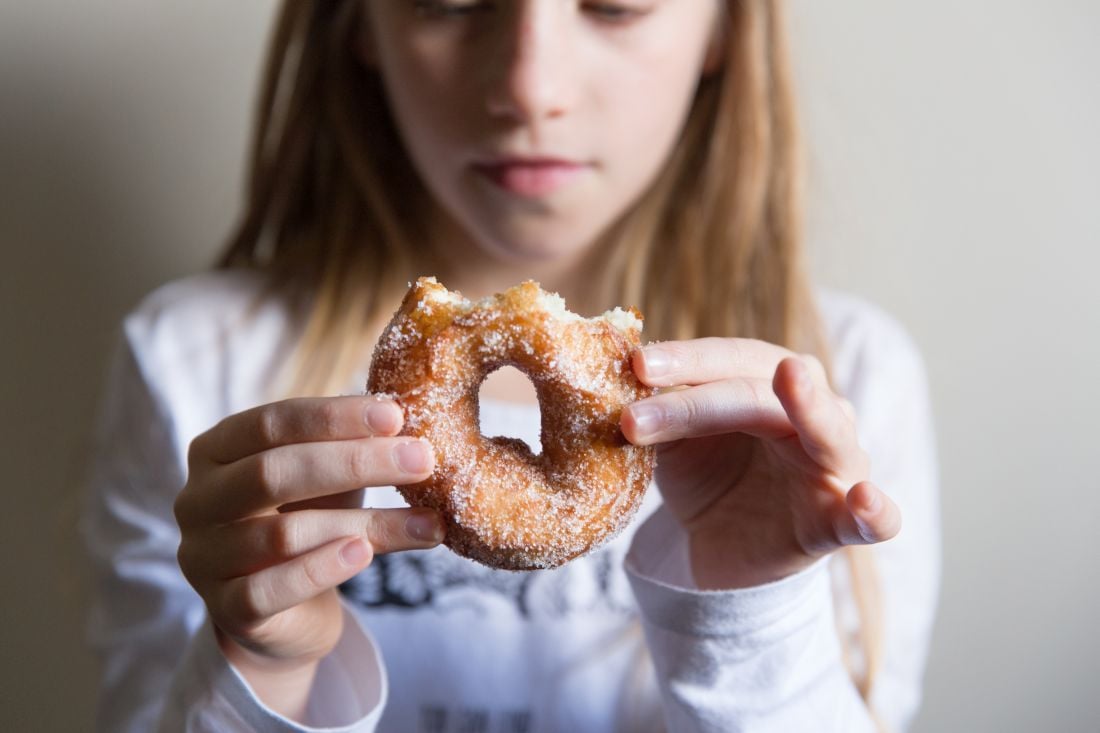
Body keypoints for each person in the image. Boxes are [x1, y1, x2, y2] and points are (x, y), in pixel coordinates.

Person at [82, 1, 940, 731]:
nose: (531, 89)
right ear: (359, 26)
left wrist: (753, 617)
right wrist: (262, 667)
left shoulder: (828, 392)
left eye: (615, 2)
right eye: (452, 0)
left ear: (724, 28)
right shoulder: (197, 367)